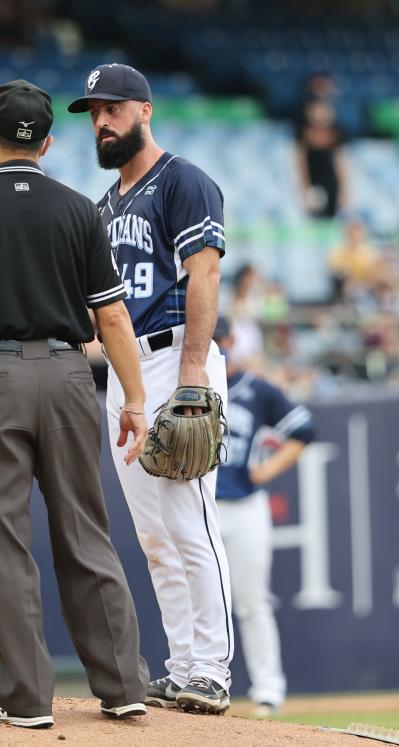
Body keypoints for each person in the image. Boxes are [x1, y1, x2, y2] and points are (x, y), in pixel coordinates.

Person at [0, 80, 150, 729]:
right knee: (84, 530)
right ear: (45, 141)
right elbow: (114, 317)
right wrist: (134, 397)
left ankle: (26, 698)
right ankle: (124, 684)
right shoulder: (77, 209)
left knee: (5, 541)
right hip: (70, 373)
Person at [69, 63, 233, 715]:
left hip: (174, 358)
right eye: (93, 112)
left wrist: (193, 372)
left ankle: (214, 668)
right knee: (153, 530)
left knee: (190, 516)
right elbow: (98, 309)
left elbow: (204, 274)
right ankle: (183, 663)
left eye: (112, 108)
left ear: (144, 110)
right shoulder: (104, 205)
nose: (102, 121)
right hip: (124, 369)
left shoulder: (183, 180)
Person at [213, 317, 315, 716]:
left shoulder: (256, 389)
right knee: (198, 602)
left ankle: (268, 689)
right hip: (199, 506)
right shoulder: (183, 385)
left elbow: (304, 431)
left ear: (231, 341)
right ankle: (199, 683)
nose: (216, 346)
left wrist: (267, 471)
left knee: (253, 601)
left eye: (219, 339)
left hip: (246, 505)